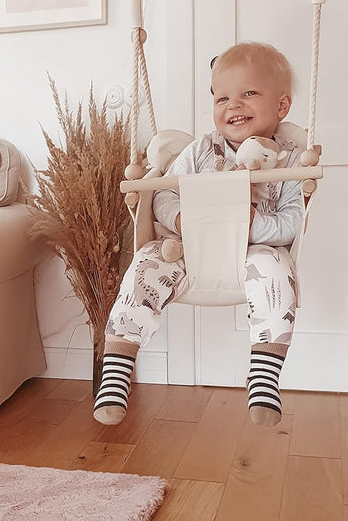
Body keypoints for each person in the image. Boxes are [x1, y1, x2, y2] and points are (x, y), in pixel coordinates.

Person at [94, 42, 303, 428]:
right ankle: (118, 366)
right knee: (146, 263)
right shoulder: (200, 150)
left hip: (250, 254)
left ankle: (264, 372)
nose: (233, 105)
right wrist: (181, 221)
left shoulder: (290, 158)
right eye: (222, 97)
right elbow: (163, 197)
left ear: (281, 107)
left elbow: (293, 221)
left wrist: (250, 225)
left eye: (249, 93)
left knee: (277, 267)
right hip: (190, 249)